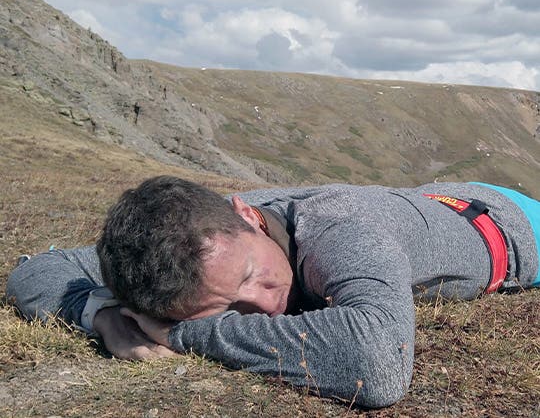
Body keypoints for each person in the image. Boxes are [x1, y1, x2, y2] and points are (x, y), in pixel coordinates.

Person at [6, 176, 540, 408]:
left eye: (248, 278)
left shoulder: (342, 231)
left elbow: (378, 365)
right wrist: (102, 315)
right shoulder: (200, 230)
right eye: (232, 308)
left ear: (245, 215)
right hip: (426, 200)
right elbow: (40, 269)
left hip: (517, 228)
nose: (265, 305)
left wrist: (185, 333)